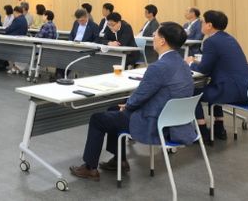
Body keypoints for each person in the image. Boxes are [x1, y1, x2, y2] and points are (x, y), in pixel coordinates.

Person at [69, 22, 195, 181]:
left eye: (156, 34)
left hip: (154, 123)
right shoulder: (182, 63)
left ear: (163, 41)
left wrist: (128, 106)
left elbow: (140, 95)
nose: (153, 36)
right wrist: (127, 105)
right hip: (174, 121)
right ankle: (119, 160)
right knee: (114, 109)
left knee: (97, 119)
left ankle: (89, 168)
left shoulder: (159, 67)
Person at [187, 10, 248, 142]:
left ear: (209, 25)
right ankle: (219, 128)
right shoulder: (230, 38)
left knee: (192, 92)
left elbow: (204, 70)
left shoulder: (211, 42)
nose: (201, 25)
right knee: (212, 85)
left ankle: (203, 132)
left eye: (203, 22)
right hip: (246, 90)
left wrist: (190, 63)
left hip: (230, 91)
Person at [5, 6, 28, 74]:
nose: (13, 15)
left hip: (13, 40)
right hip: (20, 40)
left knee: (7, 52)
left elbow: (9, 29)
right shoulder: (24, 19)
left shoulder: (17, 19)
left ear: (16, 12)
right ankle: (16, 67)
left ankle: (13, 67)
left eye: (14, 13)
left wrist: (6, 29)